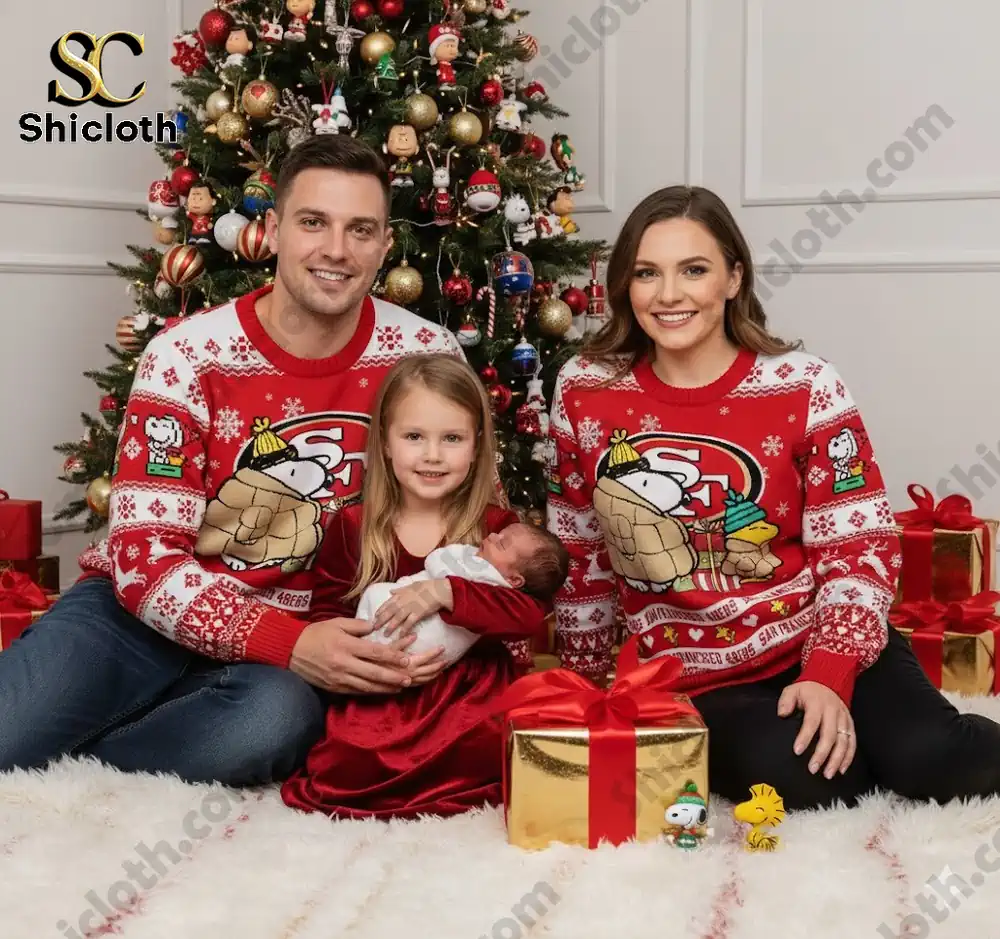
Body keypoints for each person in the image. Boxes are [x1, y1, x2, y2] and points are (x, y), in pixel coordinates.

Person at [0, 135, 489, 787]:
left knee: (268, 726)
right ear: (274, 229)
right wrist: (285, 641)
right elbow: (144, 561)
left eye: (360, 229)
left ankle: (91, 766)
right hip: (137, 616)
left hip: (294, 644)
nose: (337, 250)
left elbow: (464, 522)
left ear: (382, 246)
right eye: (314, 222)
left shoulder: (425, 354)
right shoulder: (187, 355)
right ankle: (92, 721)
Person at [546, 184, 1000, 811]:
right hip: (693, 672)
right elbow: (581, 548)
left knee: (932, 755)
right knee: (807, 781)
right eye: (647, 273)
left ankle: (894, 739)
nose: (668, 295)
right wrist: (585, 683)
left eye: (694, 270)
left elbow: (859, 545)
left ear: (733, 278)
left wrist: (830, 671)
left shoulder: (803, 384)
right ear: (626, 284)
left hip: (819, 633)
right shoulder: (585, 390)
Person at [280, 354, 551, 819]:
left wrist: (448, 593)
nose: (432, 455)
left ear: (476, 445)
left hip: (469, 693)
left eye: (451, 439)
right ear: (385, 443)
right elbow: (327, 617)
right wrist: (368, 666)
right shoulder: (353, 525)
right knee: (347, 760)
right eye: (413, 437)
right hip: (383, 685)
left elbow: (527, 615)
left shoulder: (495, 529)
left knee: (495, 744)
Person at [359, 521, 568, 666]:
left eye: (502, 543)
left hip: (433, 653)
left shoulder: (492, 578)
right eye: (499, 533)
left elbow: (529, 615)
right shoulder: (352, 520)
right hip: (384, 636)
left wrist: (447, 590)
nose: (492, 536)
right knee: (375, 595)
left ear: (514, 580)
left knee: (377, 598)